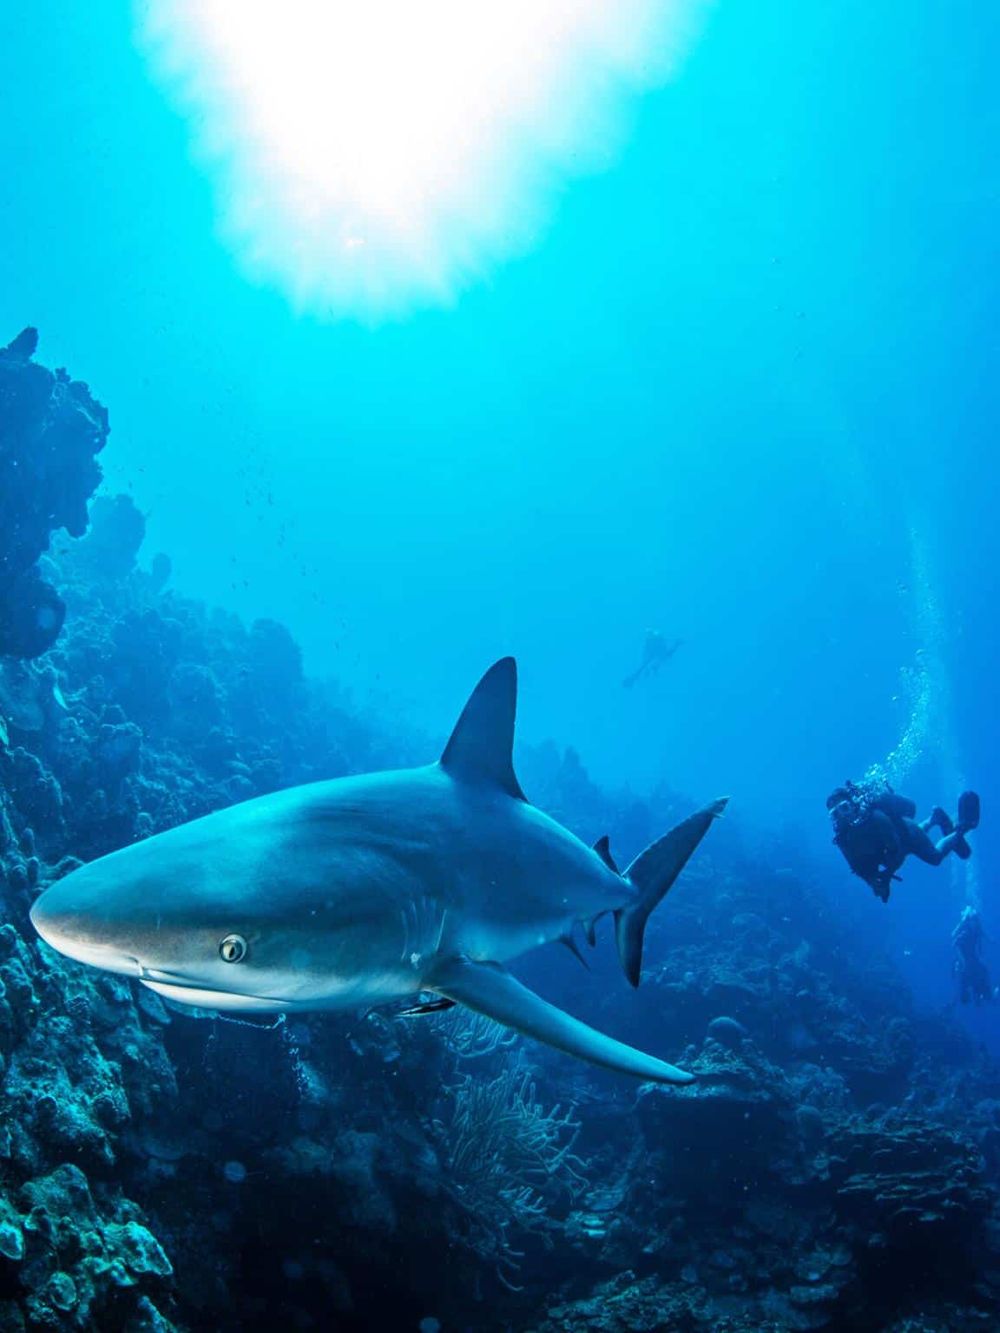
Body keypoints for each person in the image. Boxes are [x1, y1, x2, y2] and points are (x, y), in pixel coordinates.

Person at [827, 779, 980, 903]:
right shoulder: (842, 838)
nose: (842, 816)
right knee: (901, 851)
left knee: (934, 857)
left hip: (908, 833)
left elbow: (897, 853)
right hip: (892, 843)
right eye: (835, 814)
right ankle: (934, 818)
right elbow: (858, 867)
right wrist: (873, 882)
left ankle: (962, 827)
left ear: (853, 805)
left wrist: (887, 875)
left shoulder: (876, 819)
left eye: (844, 808)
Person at [952, 907, 993, 1005]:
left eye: (975, 921)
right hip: (965, 959)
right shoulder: (965, 933)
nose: (974, 923)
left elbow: (985, 935)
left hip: (973, 958)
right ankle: (973, 995)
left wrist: (992, 940)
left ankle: (981, 995)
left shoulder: (978, 929)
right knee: (968, 978)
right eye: (972, 921)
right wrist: (962, 961)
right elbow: (954, 943)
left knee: (982, 972)